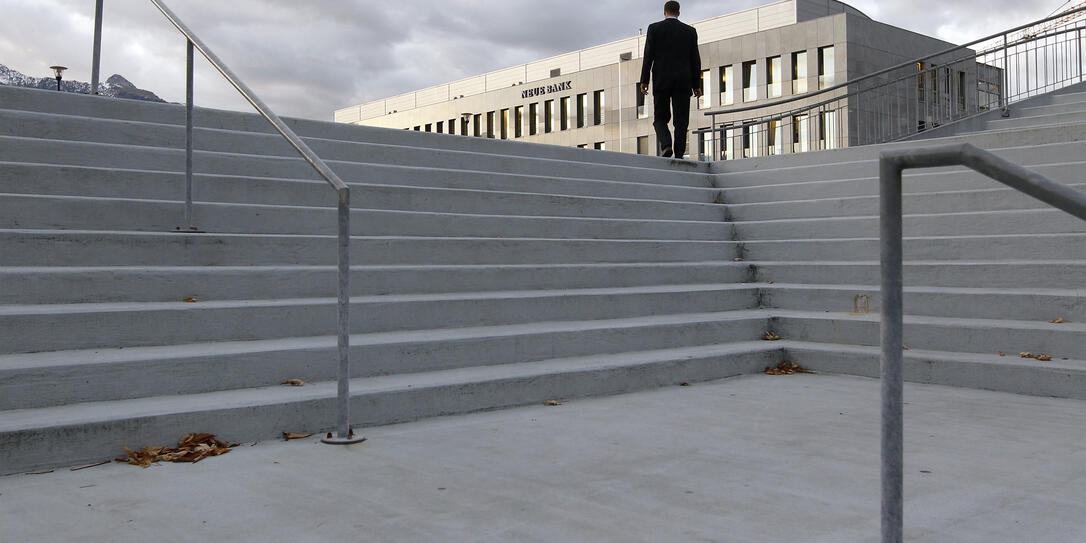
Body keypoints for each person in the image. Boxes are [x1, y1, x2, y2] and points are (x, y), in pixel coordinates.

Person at [639, 1, 702, 158]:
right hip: (683, 81)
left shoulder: (654, 29)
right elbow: (695, 59)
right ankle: (679, 153)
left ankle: (666, 145)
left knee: (660, 118)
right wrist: (696, 85)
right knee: (681, 120)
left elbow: (648, 56)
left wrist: (644, 80)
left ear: (664, 12)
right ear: (679, 13)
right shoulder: (690, 31)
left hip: (661, 80)